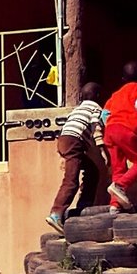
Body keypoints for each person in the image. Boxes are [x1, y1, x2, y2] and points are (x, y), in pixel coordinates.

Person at [45, 81, 109, 235]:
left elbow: (68, 127)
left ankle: (84, 204)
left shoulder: (78, 109)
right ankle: (56, 213)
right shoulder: (96, 108)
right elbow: (96, 127)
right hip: (74, 143)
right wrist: (102, 150)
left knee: (92, 171)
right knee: (71, 181)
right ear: (98, 96)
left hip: (64, 140)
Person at [102, 61, 137, 212]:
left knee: (118, 169)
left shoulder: (116, 94)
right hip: (125, 130)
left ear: (123, 79)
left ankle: (115, 206)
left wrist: (112, 124)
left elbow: (104, 114)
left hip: (110, 131)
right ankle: (120, 186)